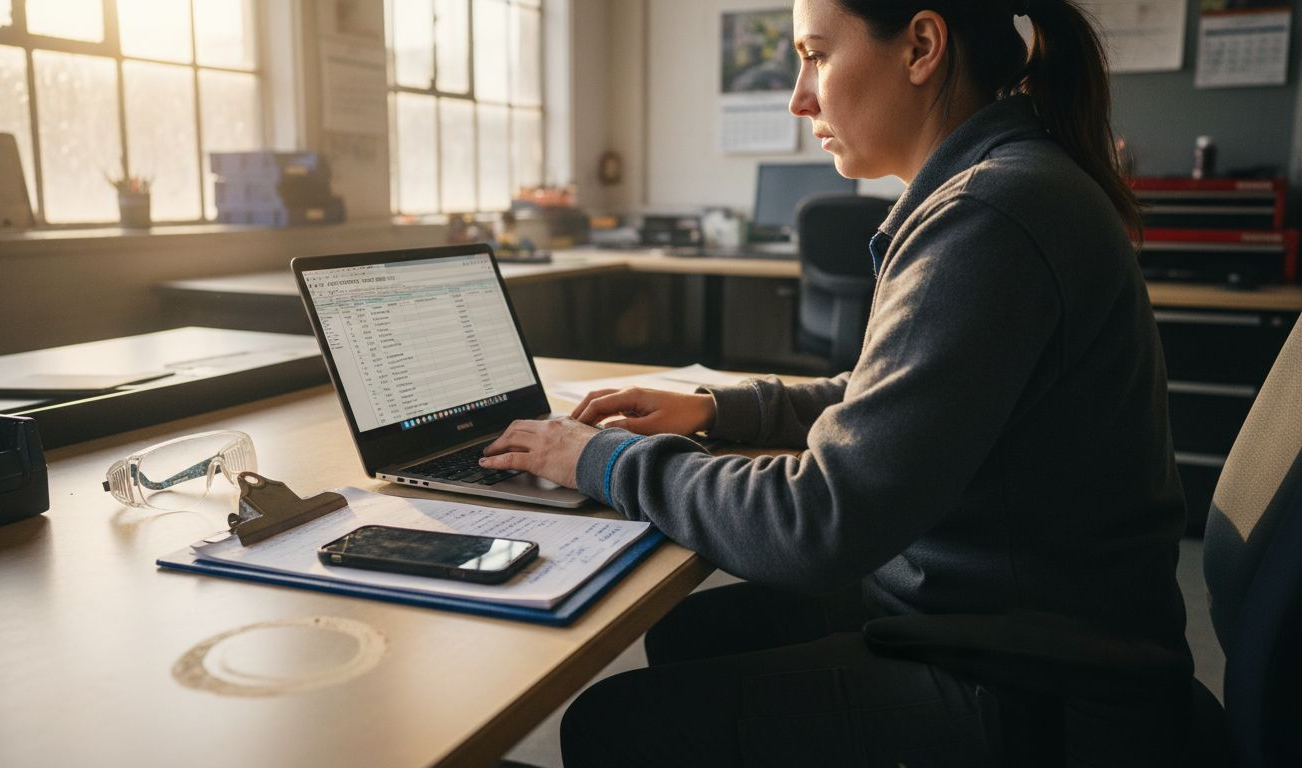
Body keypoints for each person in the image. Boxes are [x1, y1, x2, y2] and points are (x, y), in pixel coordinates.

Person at [480, 0, 1194, 764]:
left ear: (921, 46)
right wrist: (719, 408)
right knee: (699, 630)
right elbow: (888, 398)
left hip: (1037, 683)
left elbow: (819, 522)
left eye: (816, 54)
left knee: (612, 724)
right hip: (1013, 618)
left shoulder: (990, 213)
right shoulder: (1005, 183)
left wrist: (600, 460)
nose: (799, 96)